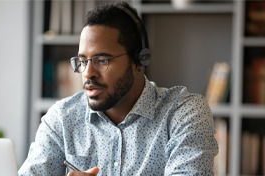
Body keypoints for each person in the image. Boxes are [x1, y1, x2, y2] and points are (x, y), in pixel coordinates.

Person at [19, 1, 218, 176]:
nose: (88, 73)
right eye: (82, 61)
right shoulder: (62, 119)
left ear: (139, 60)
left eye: (102, 60)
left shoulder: (184, 113)